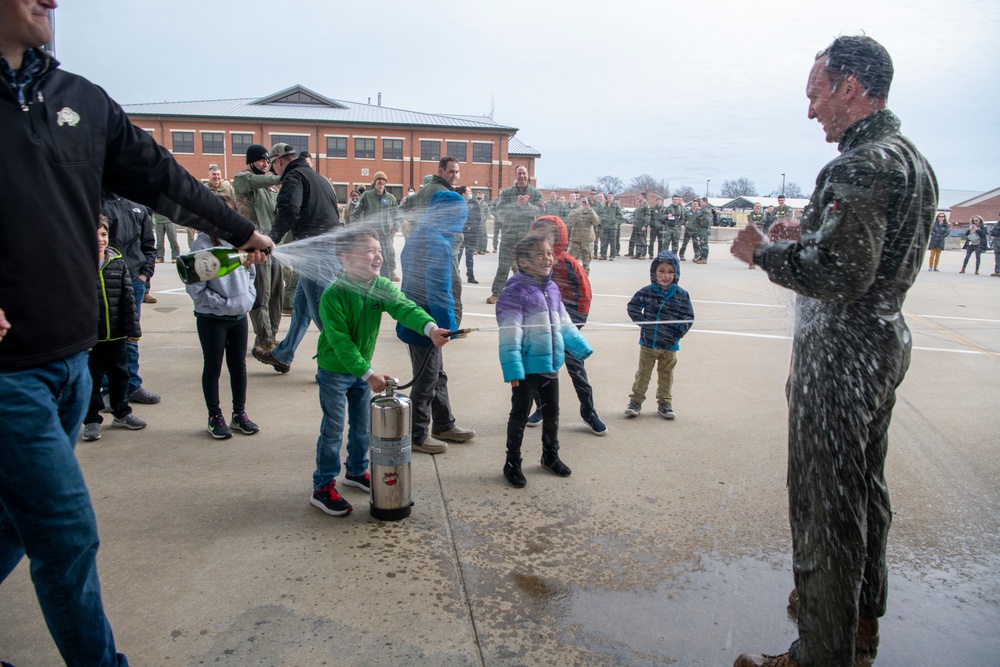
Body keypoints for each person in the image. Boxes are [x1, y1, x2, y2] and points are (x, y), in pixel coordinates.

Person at [0, 3, 272, 663]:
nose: (53, 2)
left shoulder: (77, 100)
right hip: (9, 374)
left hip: (73, 358)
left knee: (13, 521)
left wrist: (237, 231)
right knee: (66, 534)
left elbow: (160, 177)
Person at [730, 35, 938, 667]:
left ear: (851, 87)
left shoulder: (859, 163)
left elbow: (842, 275)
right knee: (864, 490)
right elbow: (867, 253)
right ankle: (858, 623)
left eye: (817, 93)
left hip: (841, 356)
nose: (812, 108)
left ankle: (821, 652)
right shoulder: (909, 158)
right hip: (879, 345)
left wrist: (764, 252)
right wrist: (810, 233)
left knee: (825, 505)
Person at [311, 226, 451, 516]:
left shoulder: (381, 286)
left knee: (363, 427)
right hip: (335, 371)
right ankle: (322, 486)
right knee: (334, 429)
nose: (378, 256)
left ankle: (356, 471)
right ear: (346, 258)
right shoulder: (334, 295)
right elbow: (340, 342)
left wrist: (431, 328)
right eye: (369, 251)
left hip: (362, 371)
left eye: (378, 250)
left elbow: (404, 307)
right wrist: (368, 374)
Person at [495, 233, 593, 488]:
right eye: (540, 254)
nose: (547, 258)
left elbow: (563, 322)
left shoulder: (552, 288)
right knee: (519, 416)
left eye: (549, 253)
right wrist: (514, 369)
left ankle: (550, 456)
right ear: (523, 262)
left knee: (552, 414)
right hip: (527, 369)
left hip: (551, 364)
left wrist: (579, 347)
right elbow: (509, 333)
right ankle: (512, 463)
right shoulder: (514, 292)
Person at [396, 191, 476, 454]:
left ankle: (443, 424)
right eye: (459, 216)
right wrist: (446, 326)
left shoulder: (420, 235)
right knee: (427, 379)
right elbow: (440, 290)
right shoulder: (437, 244)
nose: (462, 222)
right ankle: (418, 434)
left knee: (436, 375)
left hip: (417, 322)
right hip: (427, 325)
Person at [252, 142, 342, 374]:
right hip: (326, 251)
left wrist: (270, 240)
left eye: (274, 167)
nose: (274, 172)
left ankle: (342, 362)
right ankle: (283, 355)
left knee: (324, 313)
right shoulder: (320, 179)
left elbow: (289, 211)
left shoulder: (293, 178)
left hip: (315, 254)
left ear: (279, 161)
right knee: (301, 306)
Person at [186, 194, 260, 440]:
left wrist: (245, 300)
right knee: (213, 366)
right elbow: (196, 289)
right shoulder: (202, 245)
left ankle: (239, 414)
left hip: (239, 316)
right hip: (212, 319)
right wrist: (225, 303)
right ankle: (214, 416)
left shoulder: (242, 244)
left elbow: (251, 276)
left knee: (238, 366)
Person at [526, 216, 607, 436]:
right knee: (539, 370)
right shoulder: (531, 263)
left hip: (566, 326)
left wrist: (574, 325)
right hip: (542, 328)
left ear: (559, 237)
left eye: (550, 235)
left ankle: (589, 413)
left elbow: (584, 295)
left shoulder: (569, 264)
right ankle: (541, 408)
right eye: (540, 235)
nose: (545, 240)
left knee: (577, 371)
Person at [82, 215, 146, 441]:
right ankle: (91, 419)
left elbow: (128, 300)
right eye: (95, 234)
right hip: (92, 339)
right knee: (92, 379)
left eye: (104, 234)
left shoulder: (117, 262)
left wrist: (133, 331)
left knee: (121, 375)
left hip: (117, 334)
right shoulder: (79, 264)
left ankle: (121, 412)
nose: (100, 239)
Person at [101, 189, 161, 403]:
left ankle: (133, 386)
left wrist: (145, 275)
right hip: (106, 279)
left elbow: (149, 244)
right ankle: (108, 391)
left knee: (131, 335)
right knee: (107, 337)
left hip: (134, 279)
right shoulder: (97, 202)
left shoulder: (137, 205)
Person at [624, 250, 694, 420]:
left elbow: (688, 316)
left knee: (666, 375)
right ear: (654, 272)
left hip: (670, 345)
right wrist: (644, 324)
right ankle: (636, 401)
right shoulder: (647, 291)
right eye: (661, 271)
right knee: (643, 374)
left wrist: (677, 333)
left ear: (676, 274)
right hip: (648, 343)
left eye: (670, 272)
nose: (665, 276)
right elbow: (632, 306)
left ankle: (665, 403)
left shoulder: (681, 295)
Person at [234, 143, 284, 354]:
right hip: (255, 246)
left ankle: (272, 335)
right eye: (262, 160)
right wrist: (281, 176)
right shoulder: (243, 178)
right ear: (251, 161)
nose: (265, 163)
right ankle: (263, 338)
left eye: (267, 160)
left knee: (276, 293)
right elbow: (256, 181)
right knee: (261, 294)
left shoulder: (271, 187)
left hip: (273, 245)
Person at [487, 165, 543, 304]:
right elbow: (499, 209)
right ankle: (496, 293)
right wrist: (516, 205)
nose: (522, 176)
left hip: (526, 238)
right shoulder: (506, 193)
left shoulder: (536, 193)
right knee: (503, 267)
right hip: (509, 236)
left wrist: (527, 205)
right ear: (515, 175)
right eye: (519, 173)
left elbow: (541, 210)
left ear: (528, 175)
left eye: (524, 173)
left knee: (527, 268)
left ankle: (528, 295)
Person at [354, 171, 400, 282]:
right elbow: (356, 213)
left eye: (384, 180)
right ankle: (369, 280)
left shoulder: (391, 198)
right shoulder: (366, 196)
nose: (381, 181)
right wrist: (359, 228)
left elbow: (396, 214)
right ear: (375, 182)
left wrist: (395, 226)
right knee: (369, 258)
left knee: (388, 257)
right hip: (370, 235)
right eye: (379, 179)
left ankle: (386, 281)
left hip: (385, 234)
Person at [567, 194, 599, 274]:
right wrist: (580, 210)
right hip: (575, 240)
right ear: (579, 202)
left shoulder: (591, 211)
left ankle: (584, 279)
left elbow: (596, 221)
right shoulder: (575, 211)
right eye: (582, 202)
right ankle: (572, 278)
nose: (584, 203)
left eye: (585, 201)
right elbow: (571, 221)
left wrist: (589, 210)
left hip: (587, 240)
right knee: (571, 261)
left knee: (586, 262)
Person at [456, 185, 481, 283]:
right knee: (457, 255)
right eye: (469, 192)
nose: (471, 194)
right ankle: (455, 275)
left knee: (469, 256)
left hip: (471, 235)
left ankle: (470, 276)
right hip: (460, 234)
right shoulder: (458, 203)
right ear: (463, 194)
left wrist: (472, 228)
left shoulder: (474, 203)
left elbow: (478, 218)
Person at [690, 196, 715, 264]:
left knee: (704, 244)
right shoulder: (703, 209)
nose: (700, 203)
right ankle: (701, 257)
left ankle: (704, 258)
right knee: (701, 243)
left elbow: (707, 220)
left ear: (705, 202)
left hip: (704, 229)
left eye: (701, 202)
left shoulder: (707, 210)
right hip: (701, 229)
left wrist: (700, 223)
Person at [746, 203, 766, 269]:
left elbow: (763, 222)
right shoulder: (750, 214)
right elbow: (750, 221)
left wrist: (756, 223)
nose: (757, 207)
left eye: (758, 206)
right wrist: (758, 223)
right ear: (753, 207)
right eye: (756, 206)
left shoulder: (763, 214)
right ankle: (751, 263)